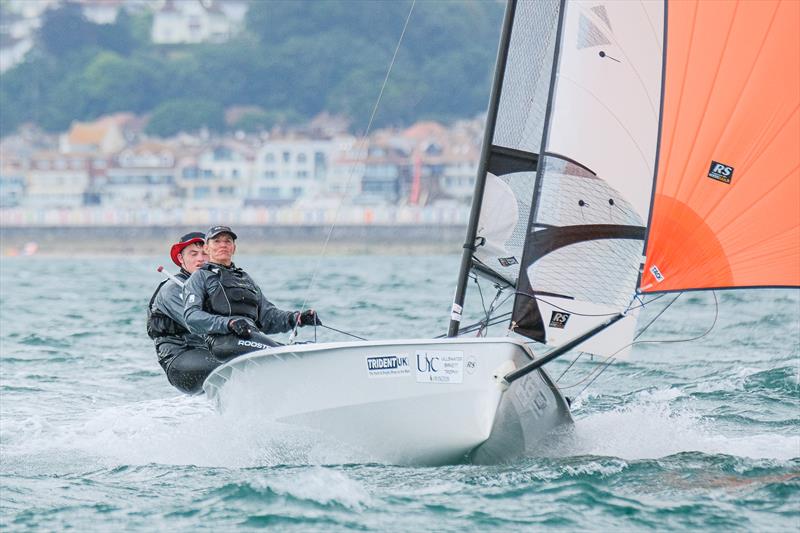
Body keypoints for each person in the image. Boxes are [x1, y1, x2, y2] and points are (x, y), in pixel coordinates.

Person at [183, 225, 321, 359]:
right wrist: (229, 323)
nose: (223, 245)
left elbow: (267, 317)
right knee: (283, 354)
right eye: (217, 241)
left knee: (297, 349)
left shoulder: (245, 278)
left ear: (234, 248)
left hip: (250, 338)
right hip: (223, 341)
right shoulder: (199, 277)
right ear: (206, 248)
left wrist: (296, 318)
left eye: (227, 241)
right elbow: (192, 317)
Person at [147, 231, 221, 394]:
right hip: (181, 360)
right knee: (233, 364)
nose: (200, 259)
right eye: (193, 254)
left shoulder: (216, 287)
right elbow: (200, 325)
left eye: (205, 253)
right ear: (181, 259)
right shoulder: (172, 289)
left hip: (210, 353)